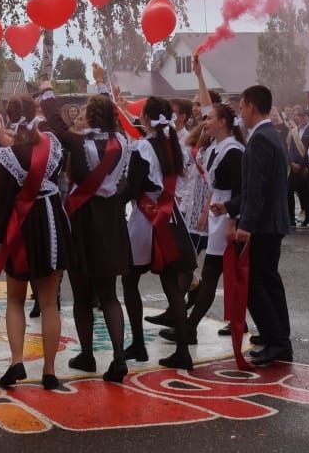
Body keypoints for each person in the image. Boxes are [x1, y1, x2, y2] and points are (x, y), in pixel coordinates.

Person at [41, 88, 131, 382]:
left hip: (83, 222)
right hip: (113, 220)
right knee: (109, 295)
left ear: (90, 116)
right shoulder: (123, 143)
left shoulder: (78, 143)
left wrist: (48, 92)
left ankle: (88, 354)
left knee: (81, 295)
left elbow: (54, 121)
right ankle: (119, 357)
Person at [0, 95, 74, 390]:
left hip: (20, 227)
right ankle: (50, 371)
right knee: (49, 302)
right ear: (36, 112)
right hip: (51, 221)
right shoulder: (52, 144)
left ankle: (16, 362)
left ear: (8, 116)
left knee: (15, 299)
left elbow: (2, 202)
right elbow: (62, 179)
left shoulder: (7, 156)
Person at [121, 95, 197, 371]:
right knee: (171, 286)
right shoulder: (172, 143)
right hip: (170, 218)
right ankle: (182, 351)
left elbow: (132, 188)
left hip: (146, 219)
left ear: (145, 118)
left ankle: (138, 344)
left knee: (130, 281)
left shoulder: (143, 147)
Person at [235, 84, 292, 366]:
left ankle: (277, 341)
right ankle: (277, 336)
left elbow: (257, 188)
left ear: (252, 107)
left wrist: (246, 223)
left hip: (264, 224)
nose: (240, 112)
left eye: (242, 106)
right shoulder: (269, 135)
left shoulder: (260, 139)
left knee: (256, 284)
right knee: (269, 281)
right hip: (271, 221)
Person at [181, 103, 244, 342]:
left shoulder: (234, 150)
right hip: (218, 212)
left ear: (223, 122)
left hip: (228, 216)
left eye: (209, 118)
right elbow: (213, 186)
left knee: (212, 272)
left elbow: (240, 190)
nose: (204, 122)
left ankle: (190, 327)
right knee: (213, 271)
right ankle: (191, 327)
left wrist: (231, 218)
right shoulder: (215, 148)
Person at [285, 107, 309, 229]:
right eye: (298, 116)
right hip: (294, 166)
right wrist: (291, 163)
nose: (300, 118)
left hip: (305, 167)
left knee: (306, 193)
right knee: (288, 191)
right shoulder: (294, 131)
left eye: (303, 116)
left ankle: (307, 219)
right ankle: (291, 218)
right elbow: (290, 149)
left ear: (308, 117)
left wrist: (302, 165)